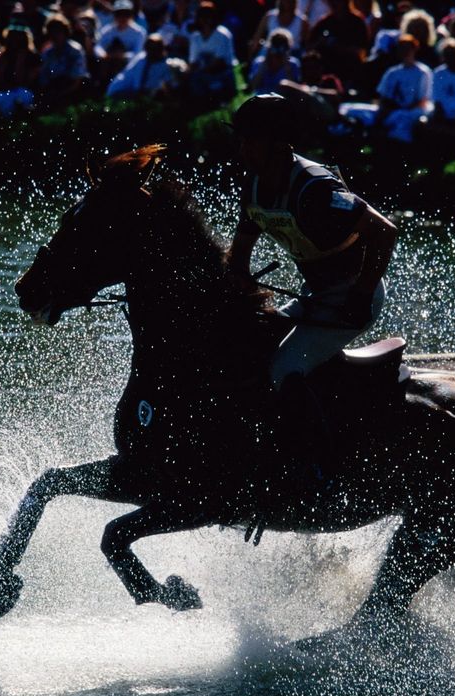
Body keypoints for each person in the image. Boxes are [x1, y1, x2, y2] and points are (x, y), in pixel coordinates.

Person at [225, 94, 397, 493]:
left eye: (252, 139)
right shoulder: (254, 186)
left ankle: (316, 467)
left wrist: (361, 293)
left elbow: (386, 232)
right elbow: (239, 258)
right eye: (242, 139)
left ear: (279, 143)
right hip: (315, 295)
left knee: (283, 368)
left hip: (355, 298)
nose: (243, 148)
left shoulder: (317, 189)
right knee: (248, 347)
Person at [106, 32, 185, 97]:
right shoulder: (142, 60)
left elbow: (170, 82)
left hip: (138, 92)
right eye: (150, 48)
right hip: (119, 91)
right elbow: (138, 87)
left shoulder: (163, 62)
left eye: (156, 48)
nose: (153, 51)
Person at [248, 29, 302, 94]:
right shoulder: (259, 63)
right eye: (275, 46)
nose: (278, 53)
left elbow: (295, 91)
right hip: (262, 101)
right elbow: (253, 87)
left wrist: (286, 65)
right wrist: (265, 63)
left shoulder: (293, 64)